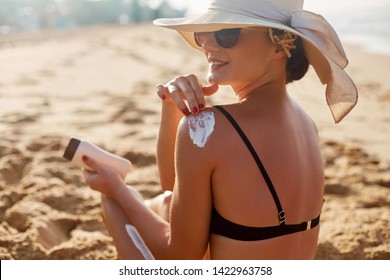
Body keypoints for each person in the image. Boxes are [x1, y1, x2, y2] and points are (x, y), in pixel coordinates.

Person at [82, 0, 357, 259]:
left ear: (279, 46)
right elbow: (176, 193)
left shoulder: (210, 128)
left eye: (227, 34)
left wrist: (119, 189)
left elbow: (180, 257)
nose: (208, 46)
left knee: (115, 203)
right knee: (164, 203)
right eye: (204, 33)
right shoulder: (306, 123)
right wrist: (172, 108)